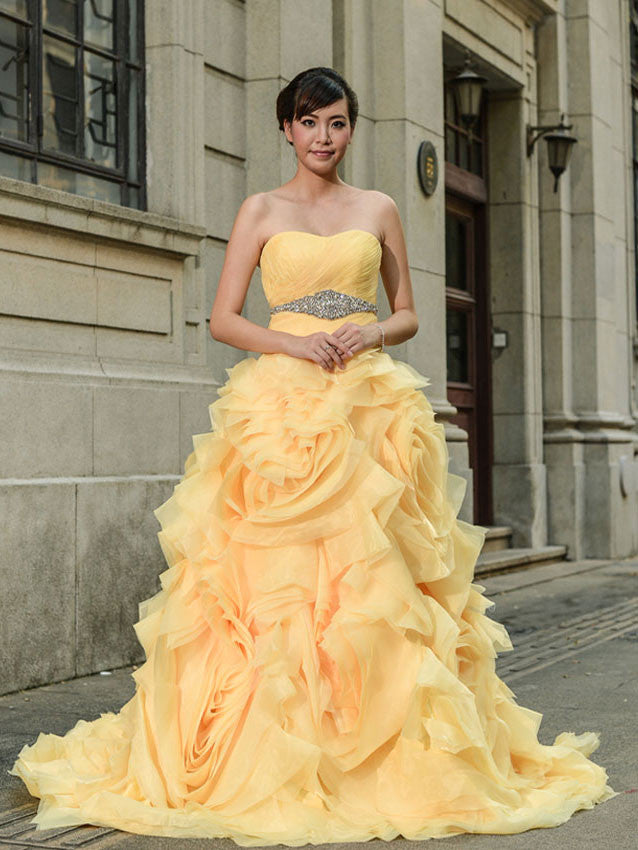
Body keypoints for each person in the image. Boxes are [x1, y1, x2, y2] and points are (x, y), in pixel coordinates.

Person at [9, 66, 618, 845]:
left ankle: (373, 746)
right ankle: (277, 744)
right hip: (281, 407)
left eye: (335, 123)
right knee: (274, 585)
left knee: (375, 581)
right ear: (286, 131)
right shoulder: (260, 209)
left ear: (351, 129)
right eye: (308, 123)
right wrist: (293, 342)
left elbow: (407, 314)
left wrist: (368, 331)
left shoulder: (380, 208)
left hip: (367, 405)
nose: (322, 137)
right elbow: (224, 318)